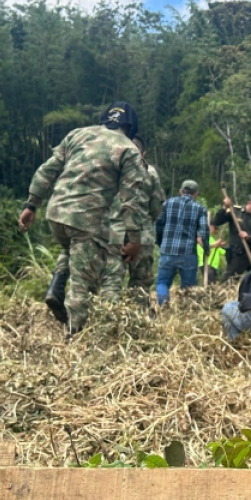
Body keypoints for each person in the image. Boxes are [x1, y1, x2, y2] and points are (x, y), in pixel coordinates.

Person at [19, 101, 149, 334]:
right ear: (131, 127)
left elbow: (48, 169)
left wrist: (31, 204)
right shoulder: (129, 149)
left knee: (75, 251)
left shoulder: (77, 135)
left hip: (56, 213)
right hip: (86, 221)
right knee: (83, 281)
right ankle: (75, 334)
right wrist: (135, 238)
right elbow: (132, 199)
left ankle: (56, 286)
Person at [154, 179, 209, 304]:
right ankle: (185, 312)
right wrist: (206, 248)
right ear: (196, 194)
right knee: (188, 289)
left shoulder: (168, 203)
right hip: (188, 253)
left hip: (167, 251)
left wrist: (160, 242)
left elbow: (158, 223)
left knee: (162, 283)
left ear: (180, 191)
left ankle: (163, 306)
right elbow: (204, 231)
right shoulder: (200, 209)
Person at [128, 137, 168, 295]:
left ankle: (111, 313)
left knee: (111, 278)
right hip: (141, 232)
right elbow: (156, 207)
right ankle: (139, 313)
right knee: (140, 279)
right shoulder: (150, 172)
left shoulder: (109, 169)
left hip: (111, 233)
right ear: (143, 154)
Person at [212, 193, 251, 280]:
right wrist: (224, 207)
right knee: (229, 280)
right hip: (238, 254)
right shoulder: (235, 211)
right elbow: (217, 221)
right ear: (250, 204)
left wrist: (248, 237)